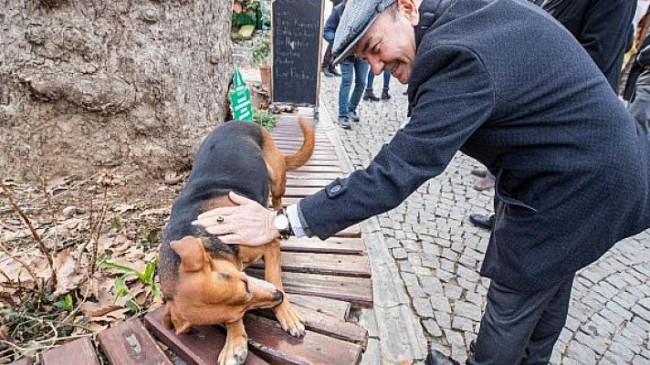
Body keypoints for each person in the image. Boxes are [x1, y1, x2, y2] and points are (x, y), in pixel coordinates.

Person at [193, 0, 650, 364]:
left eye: (374, 48)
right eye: (363, 59)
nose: (374, 68)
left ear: (407, 8)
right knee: (551, 280)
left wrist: (284, 221)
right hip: (586, 171)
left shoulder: (458, 56)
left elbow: (397, 172)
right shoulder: (463, 20)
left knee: (516, 294)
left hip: (577, 187)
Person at [469, 0, 637, 230]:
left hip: (569, 102)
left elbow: (600, 51)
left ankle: (520, 234)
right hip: (543, 90)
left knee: (547, 182)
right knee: (519, 166)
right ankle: (504, 221)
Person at [324, 0, 369, 129]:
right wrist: (338, 42)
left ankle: (351, 109)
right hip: (345, 54)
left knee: (361, 82)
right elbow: (327, 30)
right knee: (347, 81)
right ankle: (342, 115)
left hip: (362, 53)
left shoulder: (365, 8)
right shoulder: (339, 10)